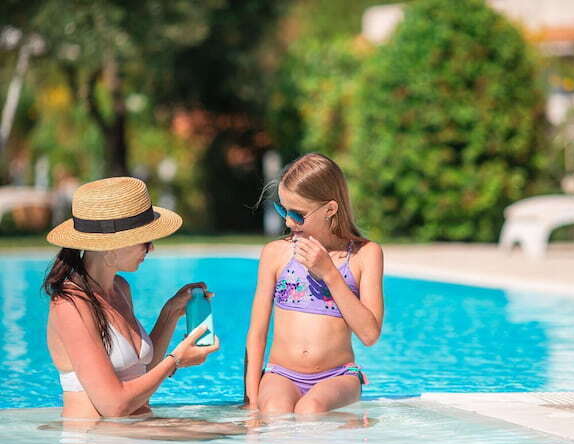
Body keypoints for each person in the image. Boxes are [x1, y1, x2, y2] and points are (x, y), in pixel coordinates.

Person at [44, 176, 221, 421]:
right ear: (111, 246)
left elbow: (140, 374)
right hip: (94, 443)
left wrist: (170, 313)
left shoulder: (120, 288)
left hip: (132, 432)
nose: (151, 248)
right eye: (145, 241)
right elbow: (114, 406)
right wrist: (176, 360)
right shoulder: (69, 305)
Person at [245, 153, 384, 414]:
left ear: (330, 209)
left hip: (339, 376)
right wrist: (253, 401)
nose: (287, 222)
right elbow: (257, 334)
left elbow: (369, 335)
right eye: (282, 210)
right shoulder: (276, 253)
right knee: (274, 411)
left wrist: (330, 273)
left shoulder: (365, 255)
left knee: (311, 410)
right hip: (280, 374)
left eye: (298, 215)